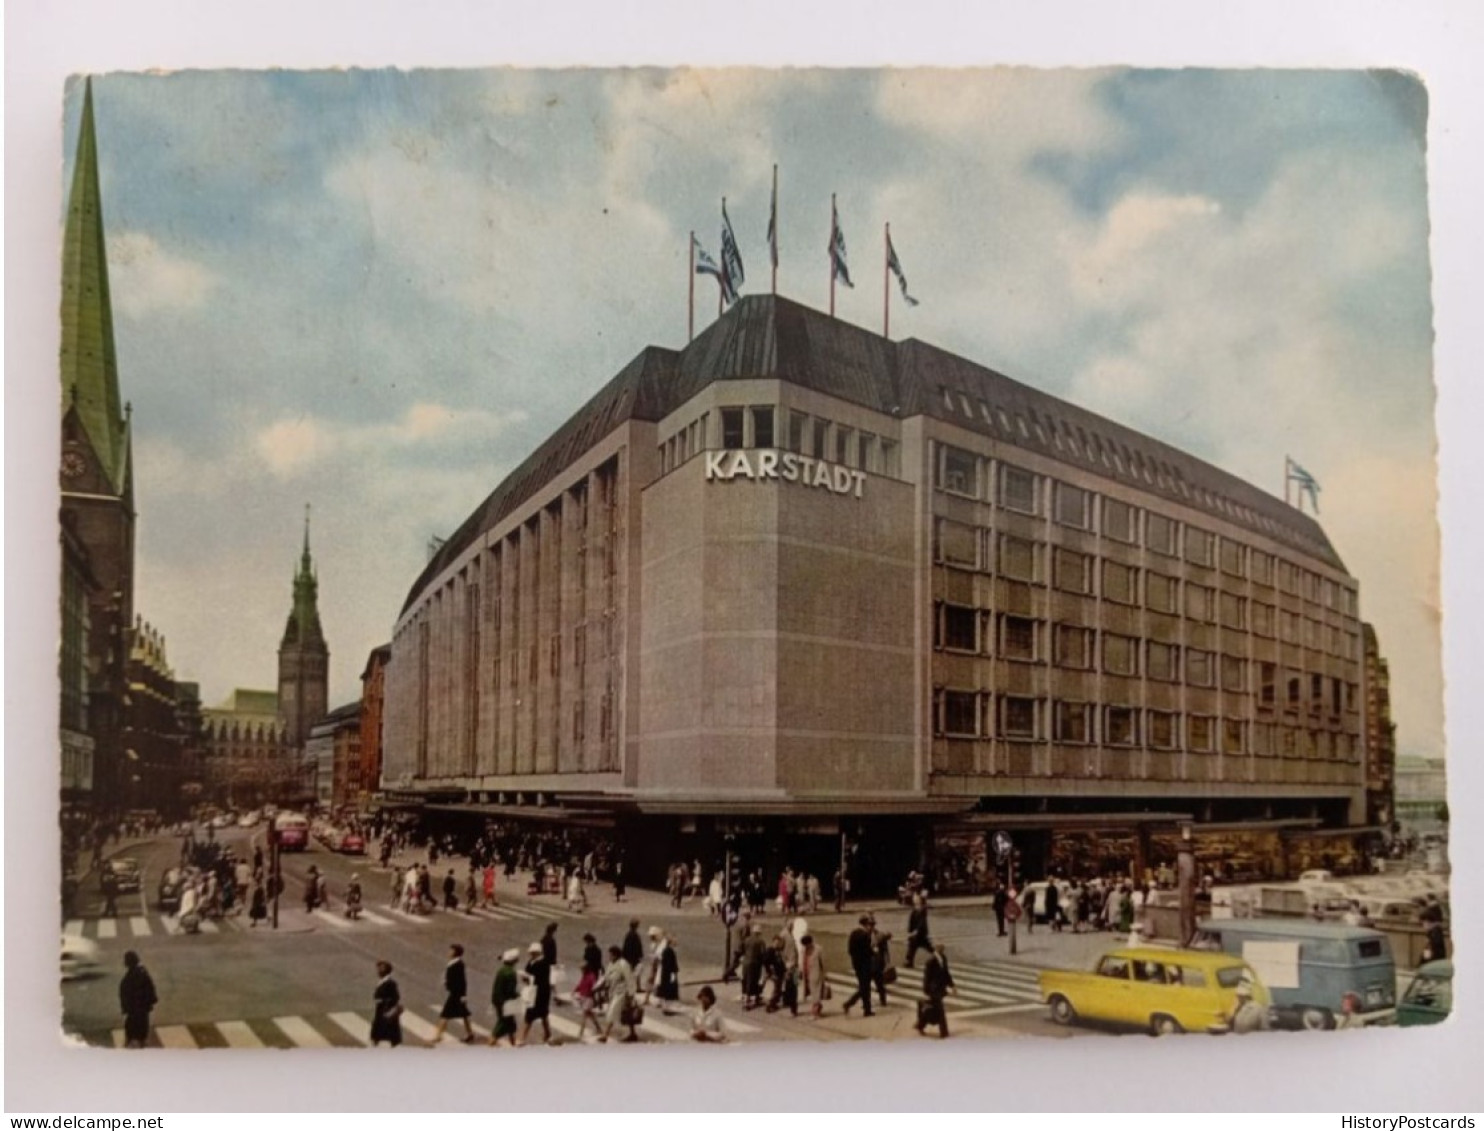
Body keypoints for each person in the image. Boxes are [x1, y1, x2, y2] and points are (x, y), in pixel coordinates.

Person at [433, 944, 476, 1044]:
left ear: (455, 953)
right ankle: (470, 1034)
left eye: (451, 951)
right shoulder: (453, 963)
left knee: (445, 1014)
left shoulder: (459, 964)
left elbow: (462, 981)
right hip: (455, 993)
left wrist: (463, 995)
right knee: (464, 1014)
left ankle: (438, 1036)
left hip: (456, 994)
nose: (448, 952)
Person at [599, 945, 640, 1043]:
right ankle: (633, 1033)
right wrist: (599, 987)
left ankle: (605, 1035)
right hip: (613, 992)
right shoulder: (611, 964)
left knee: (611, 1012)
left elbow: (629, 979)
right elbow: (606, 977)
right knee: (626, 1014)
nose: (609, 956)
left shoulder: (623, 964)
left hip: (622, 993)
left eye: (611, 955)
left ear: (616, 955)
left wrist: (631, 994)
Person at [915, 942, 955, 1038]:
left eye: (943, 947)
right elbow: (926, 977)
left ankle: (920, 1025)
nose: (943, 948)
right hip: (933, 990)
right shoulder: (931, 961)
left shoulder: (943, 958)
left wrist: (952, 985)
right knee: (940, 1010)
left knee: (934, 1010)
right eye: (941, 947)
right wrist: (926, 990)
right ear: (936, 948)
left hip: (940, 989)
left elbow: (946, 973)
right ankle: (944, 1032)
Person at [119, 951, 157, 1049]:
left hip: (134, 1010)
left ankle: (134, 1046)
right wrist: (150, 1002)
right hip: (142, 1009)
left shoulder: (131, 976)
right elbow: (150, 989)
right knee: (142, 1030)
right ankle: (140, 1044)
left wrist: (125, 1008)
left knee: (132, 1031)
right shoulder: (142, 973)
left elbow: (125, 993)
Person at [520, 941, 554, 1046]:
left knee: (530, 1015)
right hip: (534, 991)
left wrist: (527, 977)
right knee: (543, 1014)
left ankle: (522, 1038)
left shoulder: (543, 963)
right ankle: (548, 1033)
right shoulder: (532, 962)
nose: (531, 955)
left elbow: (538, 979)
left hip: (540, 993)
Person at [842, 915, 876, 1017]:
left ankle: (867, 1009)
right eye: (870, 925)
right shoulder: (865, 935)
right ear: (866, 925)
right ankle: (849, 1003)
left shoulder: (854, 933)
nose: (872, 927)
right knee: (865, 987)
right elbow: (867, 951)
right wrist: (874, 952)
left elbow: (850, 950)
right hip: (865, 965)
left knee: (864, 987)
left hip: (856, 964)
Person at [488, 948, 520, 1047]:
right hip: (506, 1002)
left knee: (510, 1024)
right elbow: (510, 991)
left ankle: (513, 1044)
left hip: (497, 1000)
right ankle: (491, 1044)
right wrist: (519, 995)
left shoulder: (501, 970)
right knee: (503, 1024)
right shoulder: (511, 973)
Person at [370, 960, 403, 1047]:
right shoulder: (382, 981)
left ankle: (392, 1044)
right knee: (379, 1026)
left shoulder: (390, 983)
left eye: (380, 969)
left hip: (387, 1009)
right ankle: (376, 1041)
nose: (378, 971)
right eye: (378, 969)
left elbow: (396, 997)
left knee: (389, 1027)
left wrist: (383, 1001)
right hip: (381, 1009)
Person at [798, 935, 827, 1019]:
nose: (806, 946)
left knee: (815, 994)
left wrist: (824, 975)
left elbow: (823, 963)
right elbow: (801, 961)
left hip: (816, 975)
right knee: (811, 993)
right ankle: (818, 1007)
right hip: (806, 975)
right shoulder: (803, 950)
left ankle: (815, 1013)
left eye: (807, 944)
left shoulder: (818, 949)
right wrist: (800, 971)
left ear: (811, 942)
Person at [654, 931, 681, 1015]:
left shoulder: (666, 950)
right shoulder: (669, 951)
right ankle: (668, 1009)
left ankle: (666, 1007)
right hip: (669, 974)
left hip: (665, 974)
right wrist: (673, 974)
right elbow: (671, 965)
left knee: (667, 991)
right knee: (670, 991)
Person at [573, 959, 602, 1041]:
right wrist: (575, 990)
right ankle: (599, 1028)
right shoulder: (584, 976)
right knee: (591, 1015)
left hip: (589, 998)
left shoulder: (591, 976)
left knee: (584, 1015)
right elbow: (580, 984)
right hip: (583, 998)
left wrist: (593, 989)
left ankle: (580, 1033)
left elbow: (594, 986)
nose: (581, 971)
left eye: (582, 969)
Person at [871, 922, 894, 1009]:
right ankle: (883, 1001)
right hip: (873, 964)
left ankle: (883, 1001)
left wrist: (887, 962)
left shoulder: (878, 935)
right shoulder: (873, 935)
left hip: (876, 964)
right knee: (878, 984)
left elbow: (885, 950)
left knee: (879, 984)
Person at [905, 895, 930, 968]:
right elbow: (911, 922)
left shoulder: (922, 910)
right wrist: (910, 931)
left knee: (927, 946)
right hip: (915, 934)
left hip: (921, 933)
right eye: (914, 898)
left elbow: (922, 922)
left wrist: (916, 931)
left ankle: (937, 955)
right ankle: (909, 961)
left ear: (920, 901)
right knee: (912, 946)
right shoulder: (914, 909)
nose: (914, 899)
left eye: (916, 898)